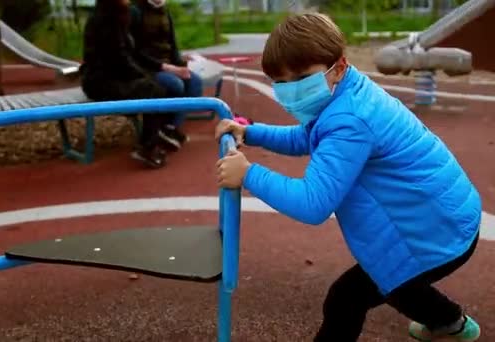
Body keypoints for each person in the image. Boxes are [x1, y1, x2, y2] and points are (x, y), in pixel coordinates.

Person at [215, 12, 481, 342]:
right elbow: (308, 138)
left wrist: (248, 174)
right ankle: (451, 323)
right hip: (441, 218)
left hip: (432, 232)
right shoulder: (345, 93)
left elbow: (312, 204)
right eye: (281, 82)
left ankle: (450, 322)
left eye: (301, 76)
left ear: (338, 66)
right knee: (394, 282)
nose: (292, 90)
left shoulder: (349, 119)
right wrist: (252, 133)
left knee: (348, 298)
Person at [80, 0, 180, 168]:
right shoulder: (106, 20)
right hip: (100, 82)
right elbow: (118, 60)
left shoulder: (117, 16)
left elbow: (126, 56)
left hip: (112, 76)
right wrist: (143, 75)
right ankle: (147, 147)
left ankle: (156, 133)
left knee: (155, 86)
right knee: (153, 89)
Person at [129, 0, 203, 147]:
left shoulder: (164, 10)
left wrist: (181, 66)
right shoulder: (136, 12)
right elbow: (135, 52)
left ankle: (170, 127)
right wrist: (168, 68)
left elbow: (172, 45)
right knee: (175, 84)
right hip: (147, 68)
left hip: (167, 64)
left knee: (195, 82)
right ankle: (159, 129)